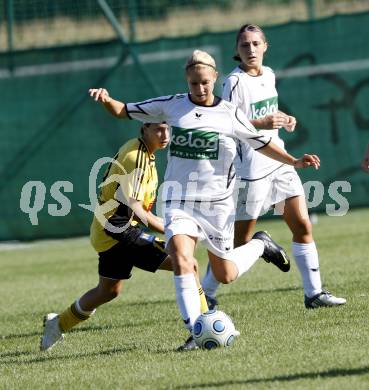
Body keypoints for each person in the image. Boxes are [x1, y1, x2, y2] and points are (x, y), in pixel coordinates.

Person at [88, 49, 320, 350]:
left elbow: (261, 142)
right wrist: (107, 99)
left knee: (225, 274)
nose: (200, 88)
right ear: (188, 79)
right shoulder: (172, 106)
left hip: (217, 205)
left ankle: (261, 244)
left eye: (205, 83)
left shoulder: (229, 113)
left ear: (214, 79)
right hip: (179, 202)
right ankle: (196, 331)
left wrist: (293, 161)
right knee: (182, 258)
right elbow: (123, 110)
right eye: (194, 83)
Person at [202, 24, 346, 309]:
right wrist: (262, 124)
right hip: (250, 171)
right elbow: (226, 123)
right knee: (237, 242)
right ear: (237, 50)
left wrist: (283, 118)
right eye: (245, 45)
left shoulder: (269, 75)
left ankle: (314, 293)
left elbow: (266, 114)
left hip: (279, 163)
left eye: (256, 44)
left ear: (265, 46)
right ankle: (206, 291)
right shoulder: (233, 82)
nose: (251, 49)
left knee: (303, 224)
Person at [40, 122, 209, 351]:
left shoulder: (144, 153)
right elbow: (137, 209)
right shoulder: (135, 157)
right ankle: (201, 329)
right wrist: (173, 231)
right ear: (144, 129)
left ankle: (58, 323)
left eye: (167, 128)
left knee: (108, 291)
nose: (165, 134)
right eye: (158, 129)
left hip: (108, 232)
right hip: (118, 229)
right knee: (188, 263)